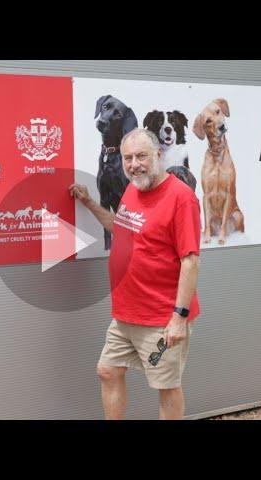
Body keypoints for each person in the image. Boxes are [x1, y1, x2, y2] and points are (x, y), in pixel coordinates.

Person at [69, 128, 201, 420]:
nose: (133, 164)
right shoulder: (134, 188)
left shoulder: (181, 198)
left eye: (141, 156)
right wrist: (90, 203)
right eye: (128, 158)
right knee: (107, 370)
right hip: (127, 312)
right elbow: (121, 228)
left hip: (161, 316)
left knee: (166, 386)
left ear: (158, 155)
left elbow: (190, 261)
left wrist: (179, 318)